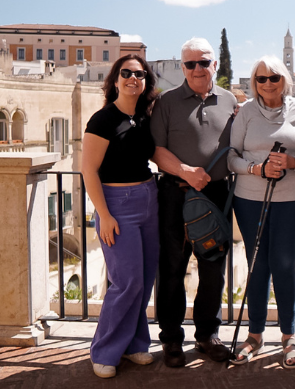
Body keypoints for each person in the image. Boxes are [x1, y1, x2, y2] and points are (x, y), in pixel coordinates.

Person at [150, 38, 237, 367]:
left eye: (204, 62)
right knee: (172, 268)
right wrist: (187, 172)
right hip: (174, 193)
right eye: (191, 64)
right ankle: (171, 339)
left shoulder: (230, 101)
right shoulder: (166, 102)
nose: (198, 69)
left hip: (215, 194)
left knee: (213, 268)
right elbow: (156, 150)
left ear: (215, 64)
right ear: (183, 67)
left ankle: (206, 336)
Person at [227, 56, 295, 369]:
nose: (267, 84)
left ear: (284, 80)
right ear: (254, 83)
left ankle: (289, 338)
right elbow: (231, 158)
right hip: (249, 198)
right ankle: (254, 336)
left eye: (273, 78)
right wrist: (256, 168)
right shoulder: (246, 111)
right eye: (260, 79)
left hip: (291, 199)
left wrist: (291, 163)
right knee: (257, 265)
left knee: (284, 264)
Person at [82, 54, 160, 378]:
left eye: (139, 74)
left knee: (143, 281)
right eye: (126, 73)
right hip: (117, 204)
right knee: (126, 282)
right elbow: (88, 169)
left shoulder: (144, 117)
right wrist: (104, 214)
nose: (133, 78)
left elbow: (155, 154)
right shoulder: (102, 120)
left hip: (148, 198)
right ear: (115, 80)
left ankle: (135, 344)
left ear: (145, 82)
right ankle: (104, 350)